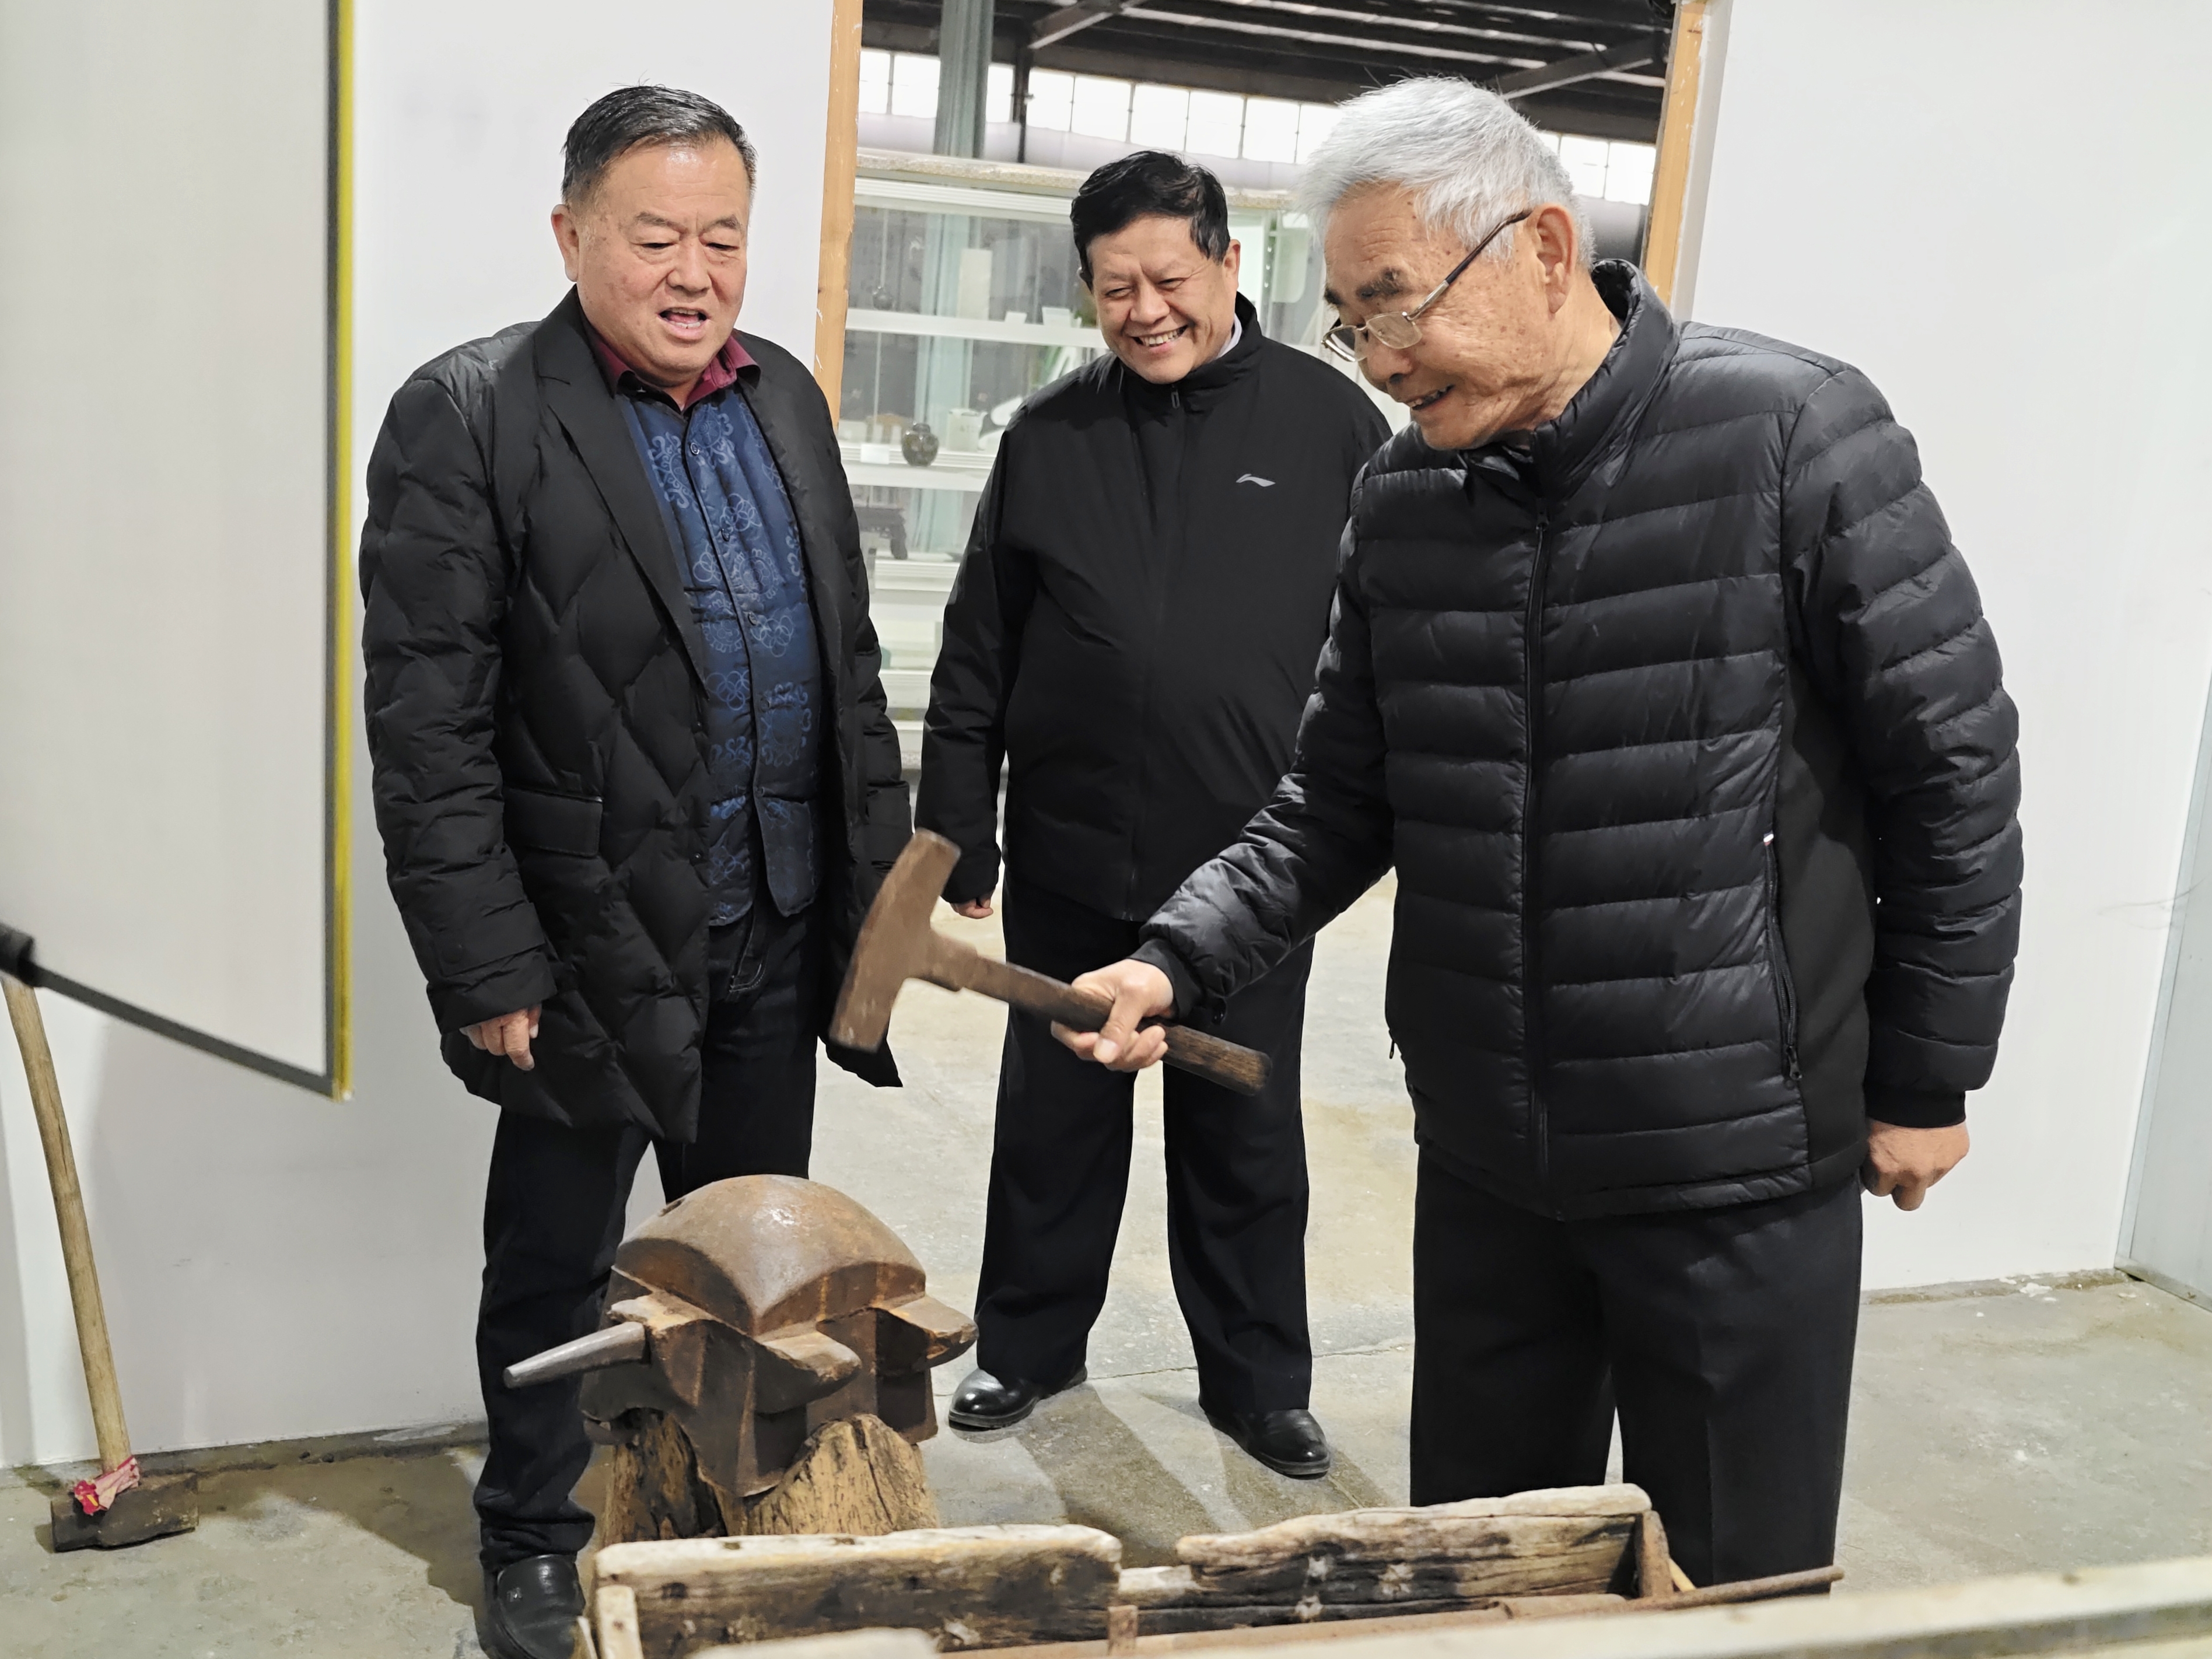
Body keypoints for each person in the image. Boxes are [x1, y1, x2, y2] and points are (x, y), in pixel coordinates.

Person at [1063, 80, 2021, 1583]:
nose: (1382, 360)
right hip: (1491, 1158)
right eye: (1351, 324)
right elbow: (1338, 798)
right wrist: (1177, 956)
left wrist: (1924, 1074)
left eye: (1397, 306)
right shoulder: (1404, 500)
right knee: (1488, 1564)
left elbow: (1951, 769)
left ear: (1547, 249)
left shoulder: (1789, 433)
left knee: (1738, 1580)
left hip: (1731, 1156)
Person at [359, 86, 908, 1659]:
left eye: (723, 237)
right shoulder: (471, 413)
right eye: (656, 236)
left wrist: (877, 896)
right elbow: (428, 729)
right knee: (558, 1267)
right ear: (570, 234)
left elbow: (848, 668)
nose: (694, 271)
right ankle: (533, 1535)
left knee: (751, 1263)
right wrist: (487, 965)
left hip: (774, 929)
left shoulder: (787, 399)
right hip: (584, 946)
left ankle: (735, 1515)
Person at [916, 152, 1390, 1477]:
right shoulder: (1049, 436)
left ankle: (1258, 1381)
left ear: (1232, 265)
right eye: (1115, 288)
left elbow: (1387, 641)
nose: (1146, 311)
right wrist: (958, 819)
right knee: (1054, 1119)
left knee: (1242, 1132)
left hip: (1249, 868)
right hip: (1070, 847)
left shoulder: (1333, 426)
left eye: (1170, 279)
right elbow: (980, 643)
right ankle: (1027, 1346)